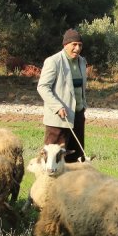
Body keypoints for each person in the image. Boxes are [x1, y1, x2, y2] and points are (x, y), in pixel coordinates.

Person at [37, 28, 87, 163]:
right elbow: (42, 87)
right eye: (74, 45)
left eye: (80, 45)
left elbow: (80, 88)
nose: (77, 48)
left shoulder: (82, 62)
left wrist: (83, 107)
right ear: (65, 45)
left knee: (75, 157)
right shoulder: (53, 61)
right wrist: (57, 107)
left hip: (77, 116)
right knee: (53, 158)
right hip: (59, 118)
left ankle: (72, 183)